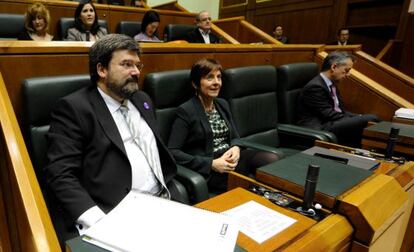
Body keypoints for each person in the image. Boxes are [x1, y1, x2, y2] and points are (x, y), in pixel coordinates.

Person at [45, 34, 179, 244]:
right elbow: (60, 174)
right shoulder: (75, 108)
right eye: (127, 64)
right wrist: (100, 222)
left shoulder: (142, 99)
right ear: (101, 70)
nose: (136, 72)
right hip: (113, 213)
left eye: (138, 65)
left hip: (162, 203)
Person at [168, 58, 279, 194]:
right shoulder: (186, 110)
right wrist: (211, 164)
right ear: (195, 84)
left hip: (231, 158)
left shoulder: (222, 104)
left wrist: (236, 148)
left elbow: (235, 136)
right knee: (248, 183)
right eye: (210, 78)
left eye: (219, 77)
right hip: (210, 166)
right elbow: (173, 152)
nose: (216, 83)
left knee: (271, 160)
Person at [297, 51, 379, 147]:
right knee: (371, 119)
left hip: (330, 122)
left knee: (367, 121)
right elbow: (330, 114)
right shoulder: (315, 87)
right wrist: (358, 119)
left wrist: (358, 117)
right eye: (346, 70)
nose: (348, 74)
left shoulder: (331, 83)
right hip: (320, 127)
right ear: (334, 67)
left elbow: (340, 110)